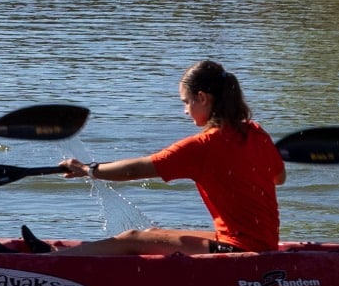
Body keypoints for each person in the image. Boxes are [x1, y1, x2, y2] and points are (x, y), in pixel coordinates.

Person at [57, 59, 283, 254]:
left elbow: (137, 169)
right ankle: (63, 254)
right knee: (152, 234)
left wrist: (89, 170)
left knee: (132, 238)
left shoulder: (203, 146)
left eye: (186, 102)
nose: (185, 110)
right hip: (262, 243)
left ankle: (52, 264)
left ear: (202, 98)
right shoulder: (256, 133)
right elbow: (278, 178)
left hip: (242, 250)